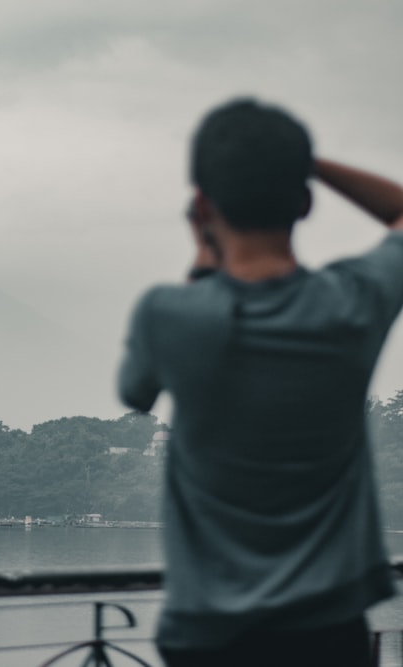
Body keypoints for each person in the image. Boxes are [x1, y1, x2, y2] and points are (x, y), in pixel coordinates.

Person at [118, 97, 403, 666]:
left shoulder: (169, 314)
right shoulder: (351, 303)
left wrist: (202, 261)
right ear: (303, 201)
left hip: (204, 636)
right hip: (329, 636)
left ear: (202, 205)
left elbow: (136, 392)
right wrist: (302, 163)